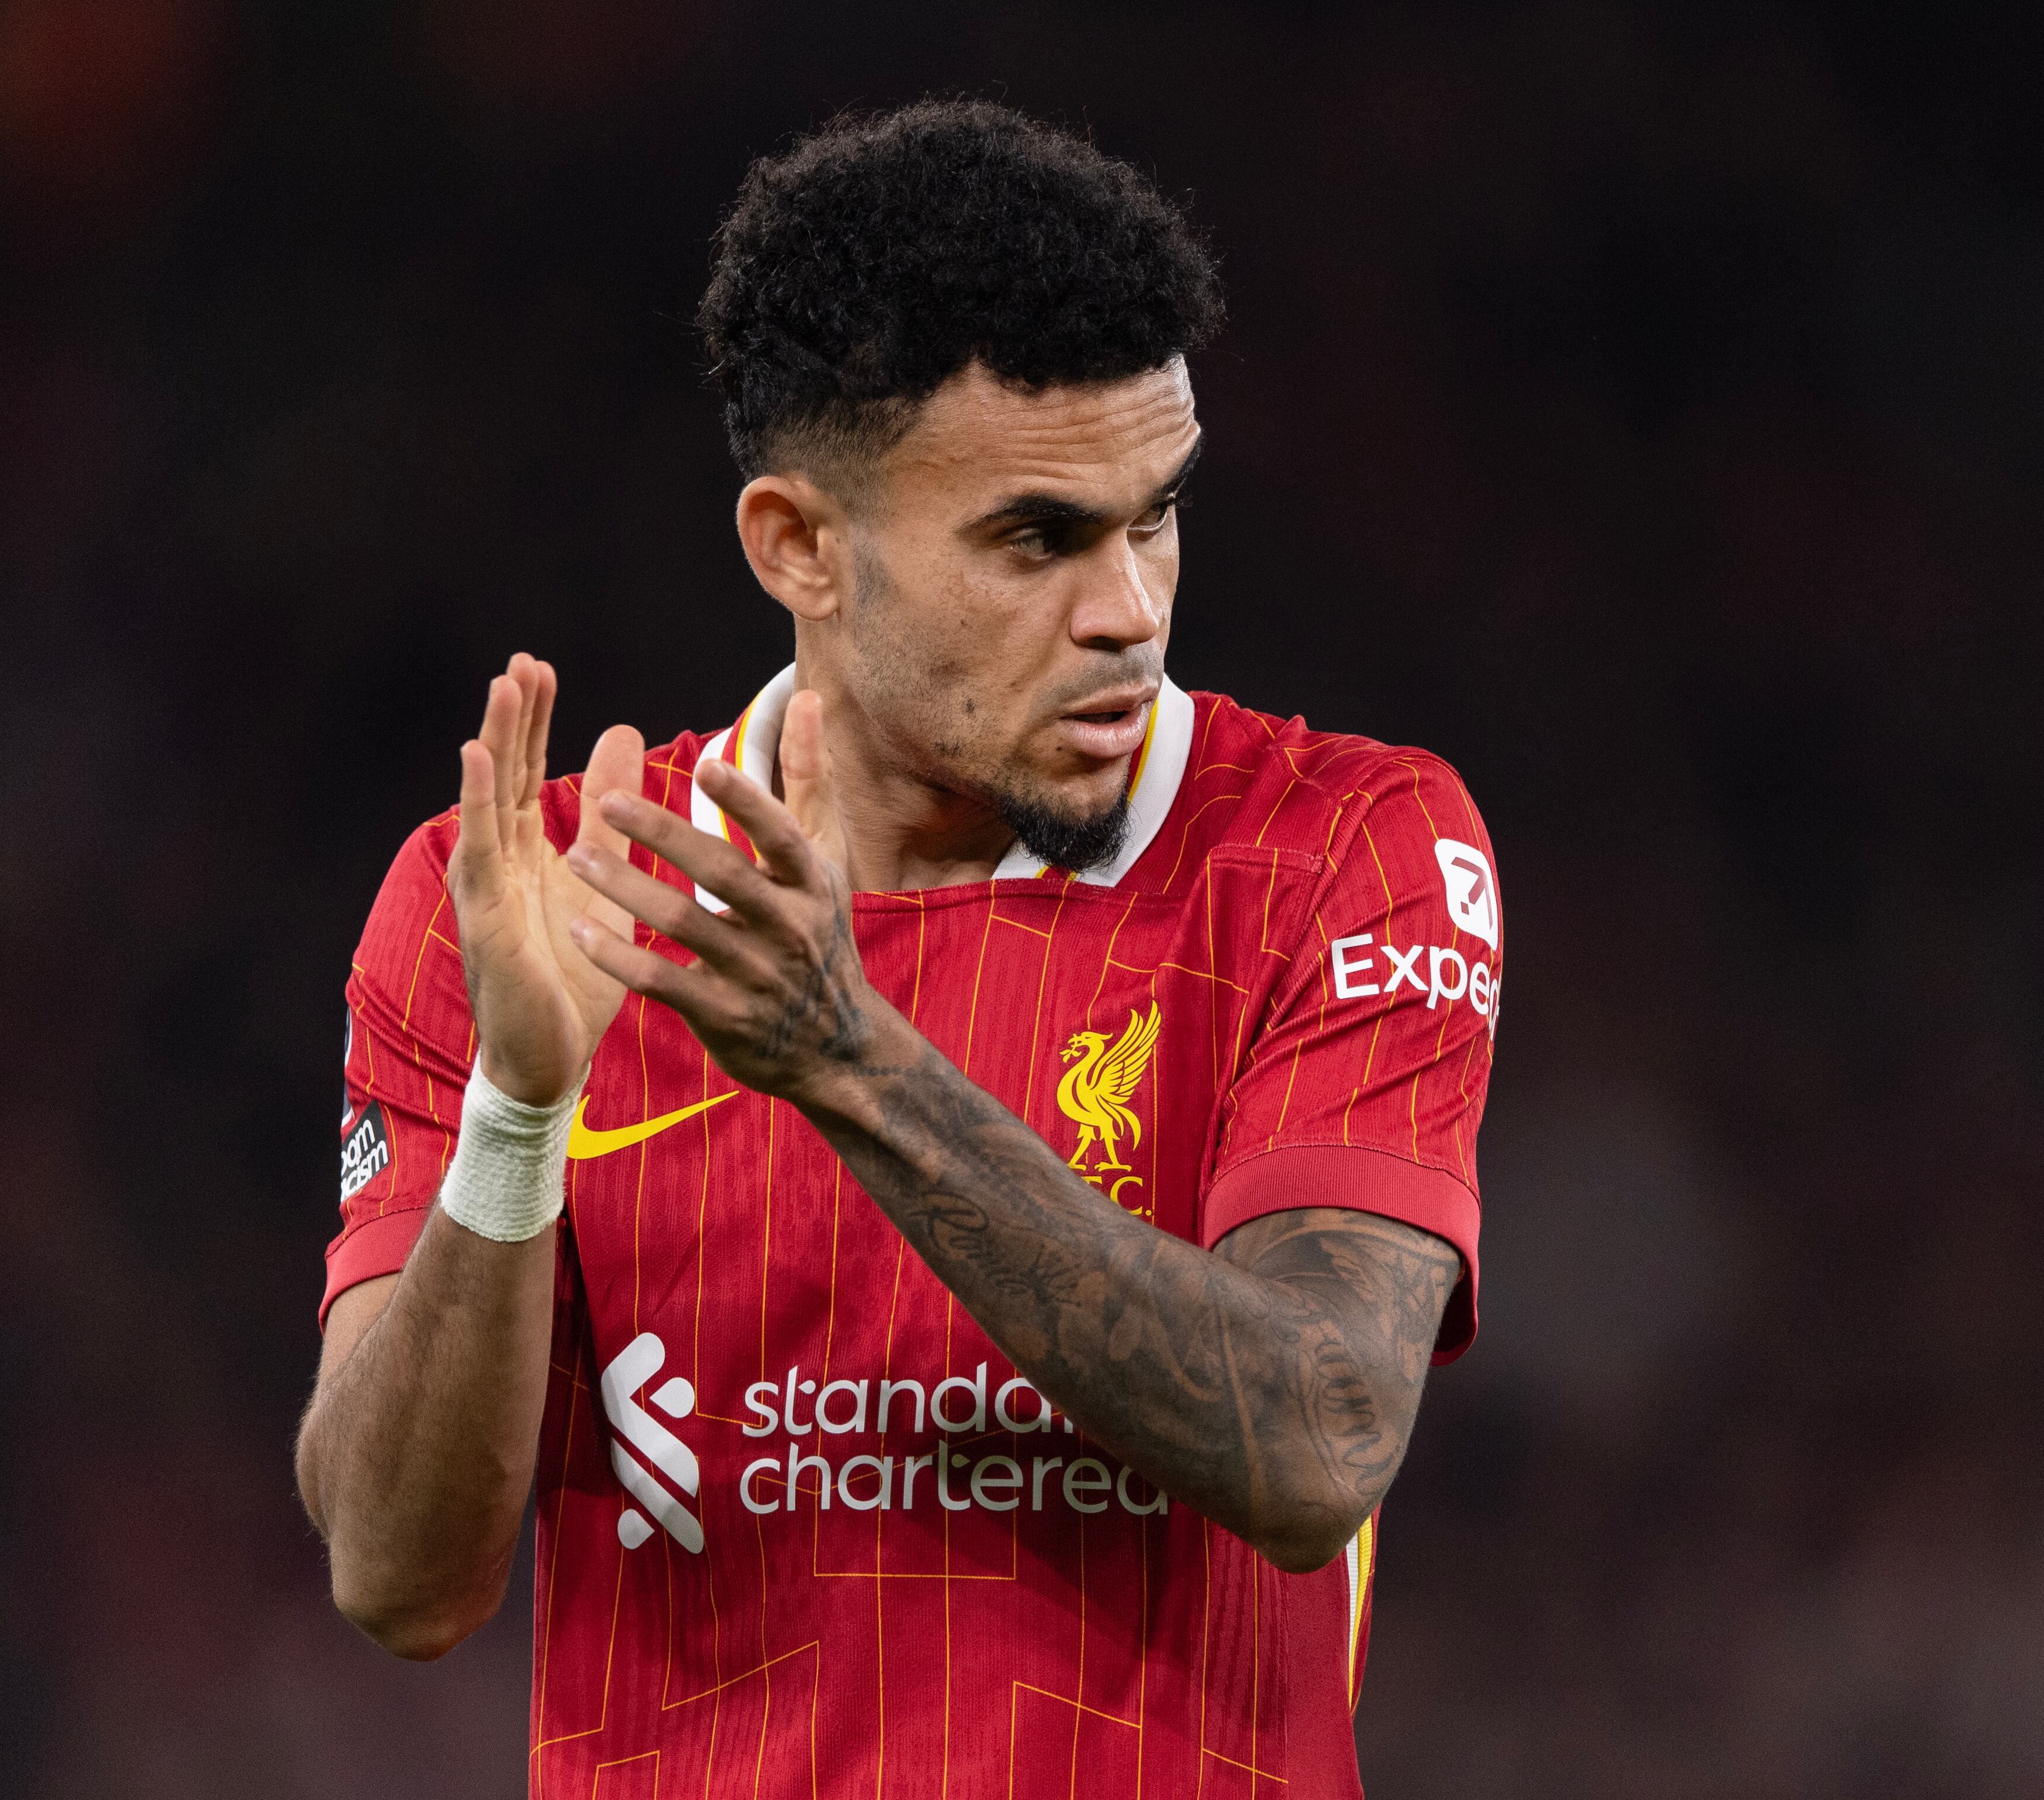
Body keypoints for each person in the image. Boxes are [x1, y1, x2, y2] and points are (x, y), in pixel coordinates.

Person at [294, 99, 1502, 1795]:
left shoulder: (1333, 848)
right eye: (1037, 540)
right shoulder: (524, 901)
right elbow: (398, 1581)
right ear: (800, 546)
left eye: (1155, 516)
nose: (1129, 612)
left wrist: (851, 1062)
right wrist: (518, 1110)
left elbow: (1320, 1441)